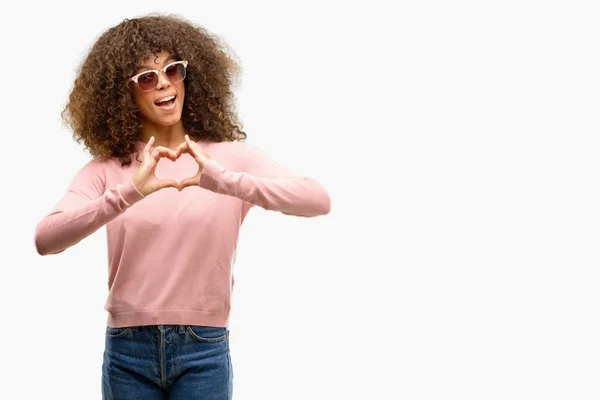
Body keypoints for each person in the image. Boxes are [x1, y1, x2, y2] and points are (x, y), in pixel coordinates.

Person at [34, 14, 330, 400]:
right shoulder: (107, 170)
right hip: (127, 350)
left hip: (204, 348)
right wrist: (128, 193)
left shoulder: (228, 159)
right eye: (146, 77)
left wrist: (225, 182)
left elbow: (316, 199)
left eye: (172, 69)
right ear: (122, 93)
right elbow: (46, 238)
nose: (163, 83)